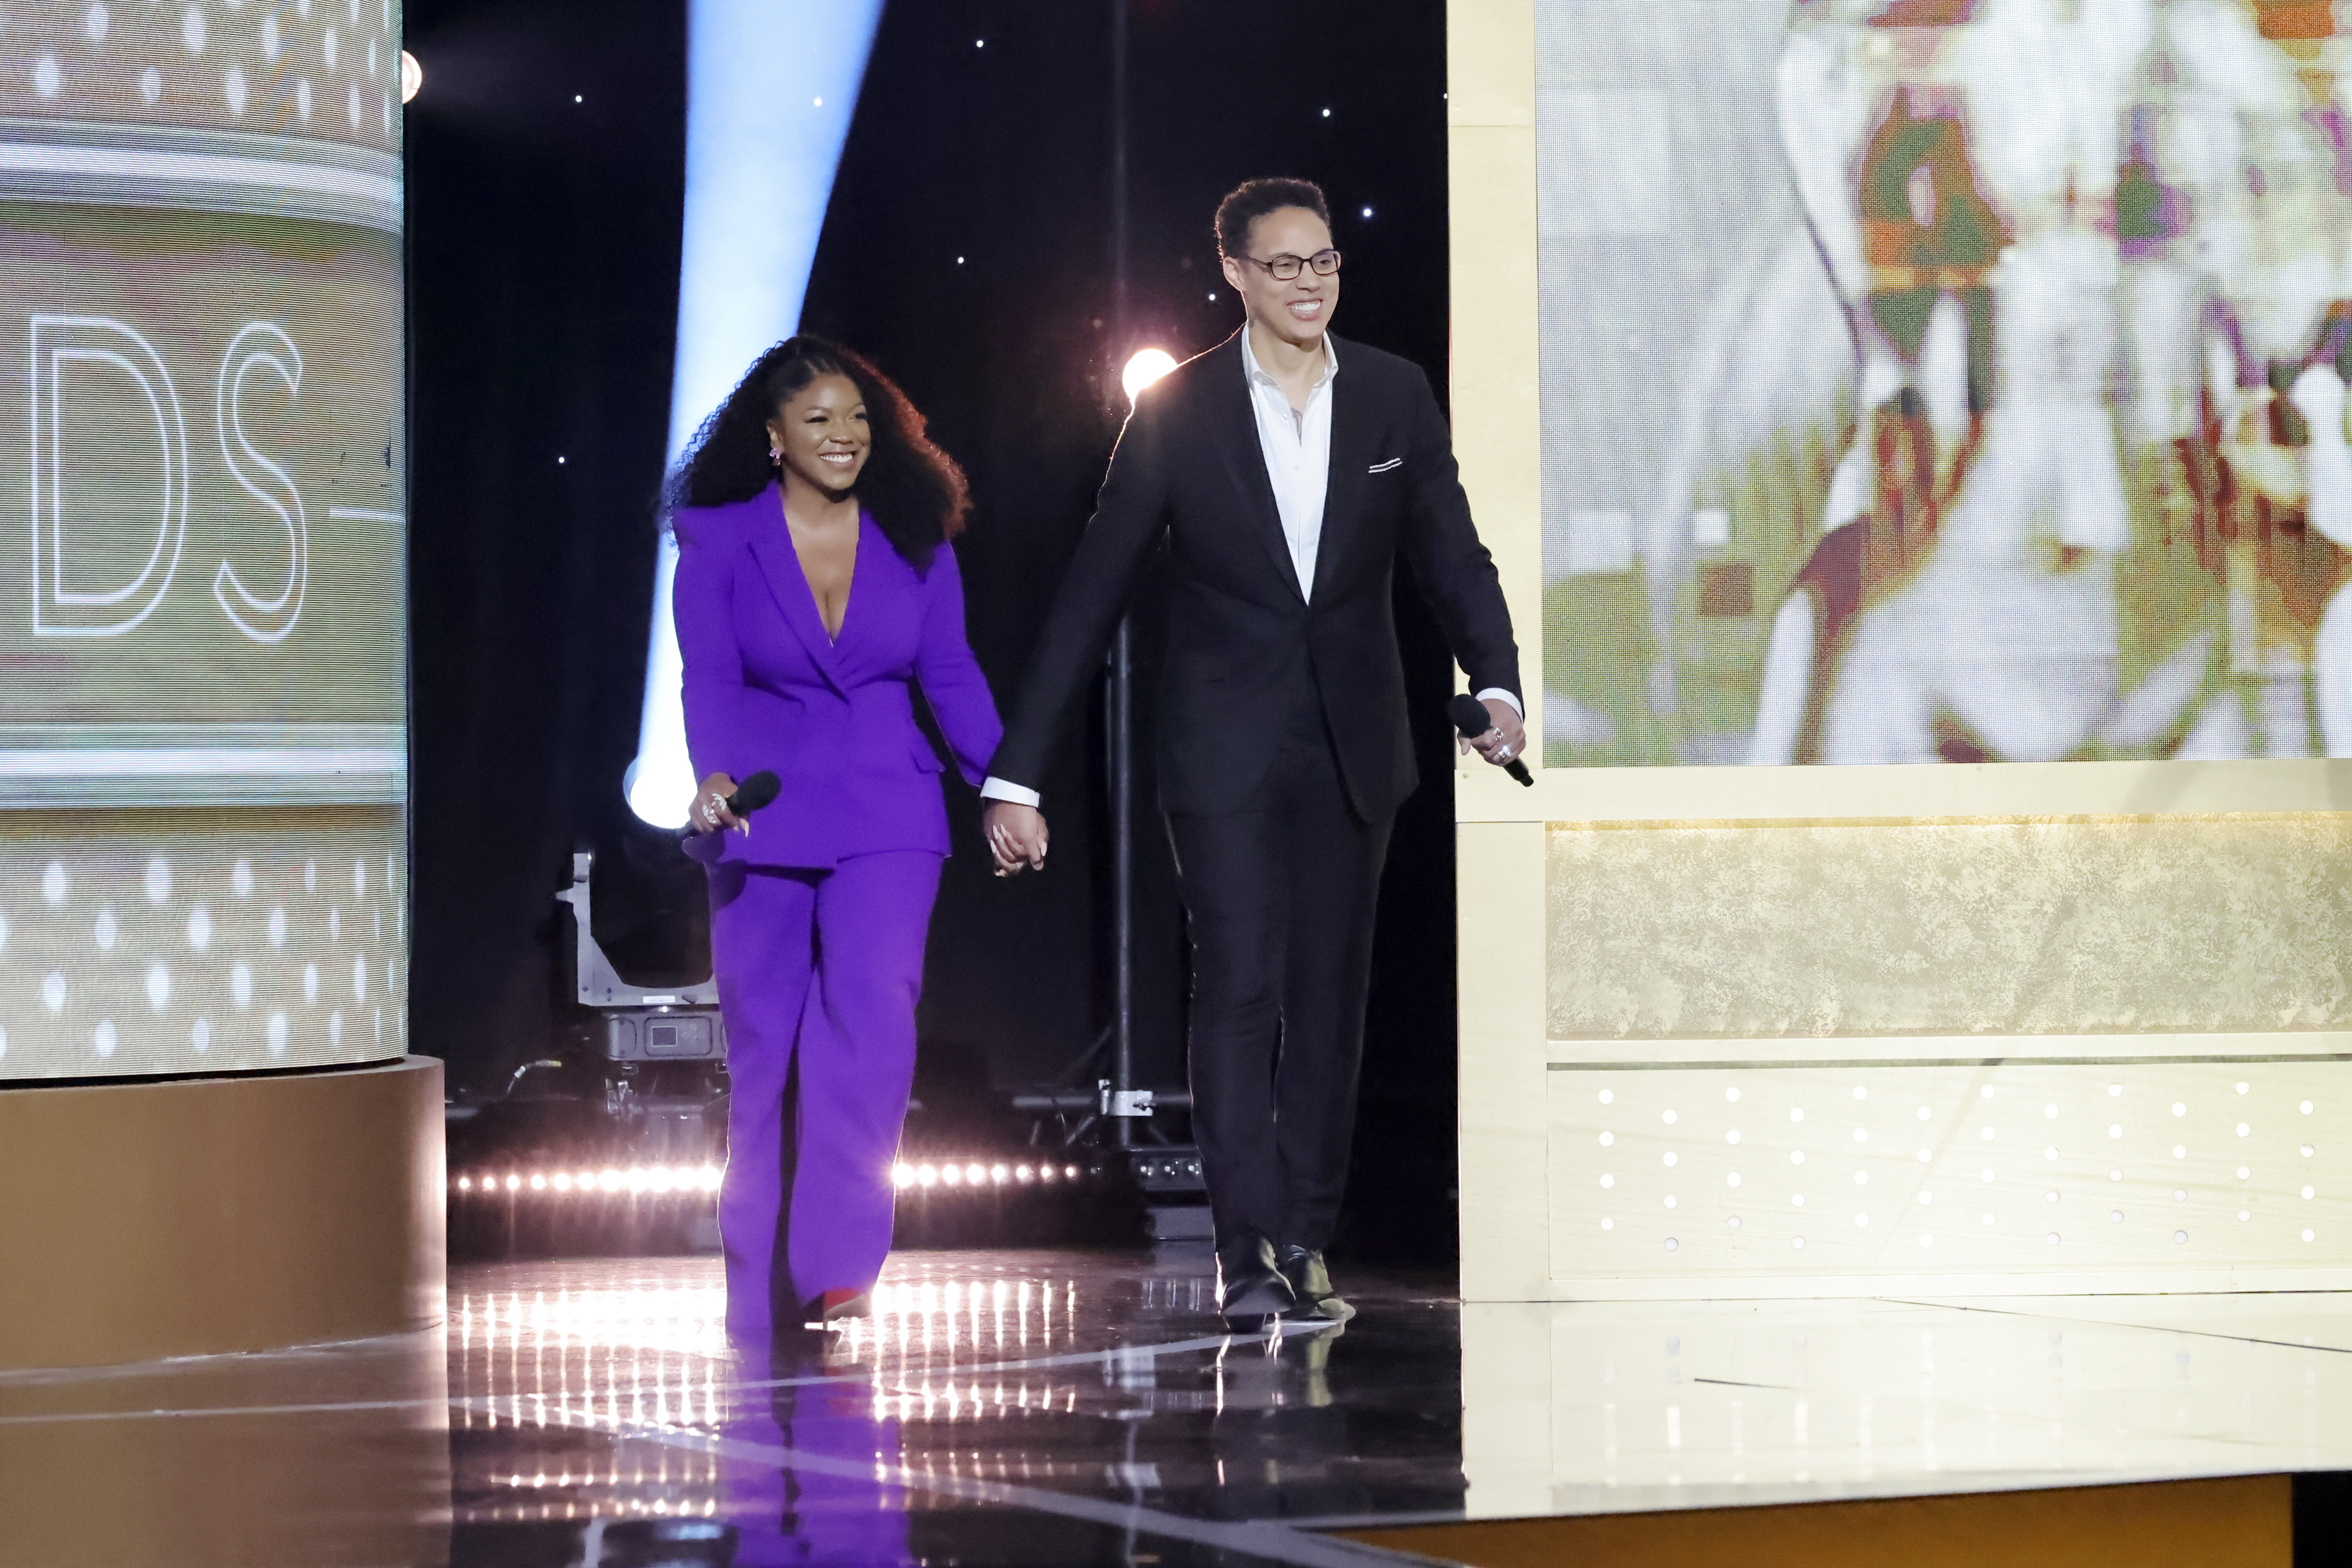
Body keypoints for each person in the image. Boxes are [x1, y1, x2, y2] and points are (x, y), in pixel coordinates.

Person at [980, 178, 1526, 1323]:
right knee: (1238, 983)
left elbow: (1452, 550)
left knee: (1329, 997)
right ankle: (1243, 1253)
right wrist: (1016, 772)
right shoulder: (1176, 411)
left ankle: (1307, 1239)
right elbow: (1092, 594)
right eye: (1284, 264)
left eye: (1324, 261)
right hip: (1223, 743)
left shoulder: (1390, 392)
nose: (1309, 283)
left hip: (1354, 737)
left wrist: (1497, 678)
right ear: (1231, 270)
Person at [668, 336, 1002, 1338]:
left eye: (858, 418)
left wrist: (1003, 786)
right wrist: (715, 775)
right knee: (765, 1048)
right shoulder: (718, 540)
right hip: (761, 816)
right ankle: (754, 1273)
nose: (843, 436)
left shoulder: (916, 542)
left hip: (889, 816)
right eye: (818, 420)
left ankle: (838, 1274)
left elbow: (950, 674)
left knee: (869, 1034)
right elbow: (709, 676)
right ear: (773, 438)